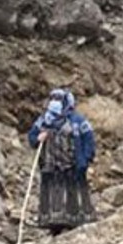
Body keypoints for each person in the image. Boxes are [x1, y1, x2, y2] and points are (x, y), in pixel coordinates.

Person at [26, 89, 96, 232]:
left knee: (73, 190)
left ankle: (77, 220)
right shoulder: (44, 121)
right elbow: (32, 138)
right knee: (53, 192)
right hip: (50, 165)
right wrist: (38, 138)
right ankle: (52, 222)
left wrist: (87, 157)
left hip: (72, 164)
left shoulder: (77, 120)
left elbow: (89, 138)